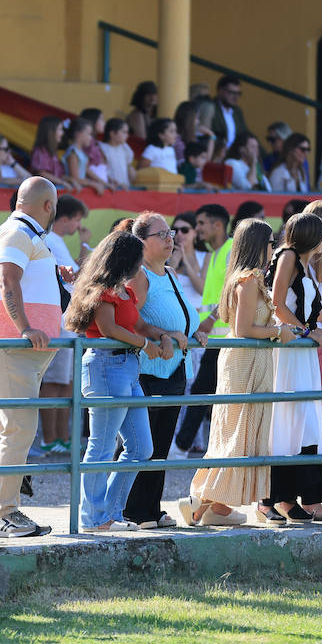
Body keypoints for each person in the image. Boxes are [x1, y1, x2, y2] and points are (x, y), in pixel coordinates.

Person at [0, 177, 65, 537]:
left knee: (16, 427)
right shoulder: (17, 233)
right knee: (18, 427)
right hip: (9, 345)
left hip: (19, 348)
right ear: (49, 206)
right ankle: (4, 513)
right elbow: (8, 281)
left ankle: (4, 510)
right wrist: (24, 327)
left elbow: (19, 278)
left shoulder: (27, 235)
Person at [179, 218, 295, 527]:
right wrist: (276, 332)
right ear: (259, 245)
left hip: (250, 359)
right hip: (245, 359)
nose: (275, 249)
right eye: (271, 243)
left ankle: (215, 506)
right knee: (237, 431)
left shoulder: (248, 278)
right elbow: (243, 328)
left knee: (240, 430)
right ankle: (200, 499)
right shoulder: (247, 280)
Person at [65, 227, 162, 532]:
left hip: (125, 367)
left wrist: (160, 335)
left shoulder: (124, 291)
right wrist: (146, 344)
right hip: (107, 365)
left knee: (141, 447)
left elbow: (139, 323)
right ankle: (94, 518)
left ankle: (109, 513)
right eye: (137, 259)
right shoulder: (103, 291)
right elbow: (108, 329)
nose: (140, 265)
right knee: (102, 446)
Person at [116, 213, 204, 528]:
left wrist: (194, 332)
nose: (171, 239)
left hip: (174, 369)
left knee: (161, 446)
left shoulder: (169, 273)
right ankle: (126, 510)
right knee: (140, 443)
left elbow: (181, 315)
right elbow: (129, 322)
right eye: (162, 234)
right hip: (147, 371)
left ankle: (149, 509)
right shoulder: (138, 276)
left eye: (170, 233)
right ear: (141, 242)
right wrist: (163, 335)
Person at [265, 213, 322, 523]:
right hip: (288, 350)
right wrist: (308, 332)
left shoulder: (306, 263)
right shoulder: (289, 256)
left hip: (302, 351)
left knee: (305, 422)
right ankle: (278, 497)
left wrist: (319, 327)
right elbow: (277, 305)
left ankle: (301, 498)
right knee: (286, 421)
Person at [173, 203, 233, 457]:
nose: (197, 229)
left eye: (200, 224)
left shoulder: (230, 251)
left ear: (217, 225)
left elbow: (234, 291)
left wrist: (210, 320)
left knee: (204, 392)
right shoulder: (217, 252)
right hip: (217, 337)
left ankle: (181, 446)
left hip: (226, 336)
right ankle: (183, 445)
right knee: (204, 391)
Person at [38, 194, 90, 454]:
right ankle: (50, 438)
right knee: (53, 382)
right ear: (66, 218)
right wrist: (85, 248)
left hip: (67, 322)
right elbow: (76, 277)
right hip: (58, 322)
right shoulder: (52, 241)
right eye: (77, 220)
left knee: (66, 382)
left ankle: (62, 437)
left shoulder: (56, 241)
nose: (77, 226)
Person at [64, 119, 108, 194]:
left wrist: (103, 182)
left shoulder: (81, 152)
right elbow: (75, 179)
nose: (91, 138)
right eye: (89, 134)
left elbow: (85, 170)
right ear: (79, 134)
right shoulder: (73, 153)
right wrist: (93, 184)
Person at [30, 115, 73, 189]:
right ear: (51, 132)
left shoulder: (53, 152)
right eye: (60, 129)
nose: (62, 133)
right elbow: (42, 173)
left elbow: (57, 174)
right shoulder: (40, 151)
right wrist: (62, 182)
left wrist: (71, 180)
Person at [213, 74, 247, 149]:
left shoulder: (237, 112)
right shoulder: (212, 109)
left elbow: (245, 134)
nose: (236, 97)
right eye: (231, 93)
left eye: (238, 93)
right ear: (220, 91)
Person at [98, 118, 134, 189]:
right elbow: (102, 171)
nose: (127, 135)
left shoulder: (125, 148)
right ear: (112, 133)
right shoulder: (102, 148)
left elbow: (128, 165)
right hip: (110, 188)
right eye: (124, 132)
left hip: (125, 187)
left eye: (127, 132)